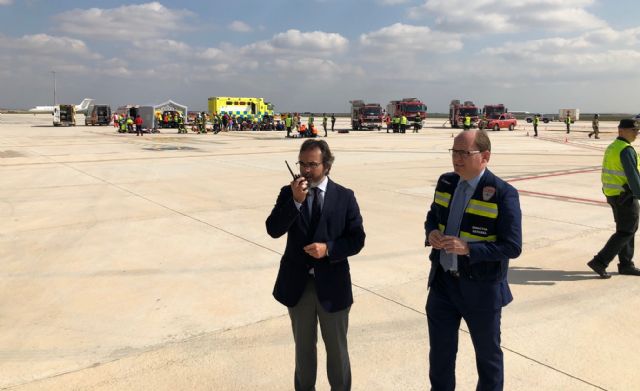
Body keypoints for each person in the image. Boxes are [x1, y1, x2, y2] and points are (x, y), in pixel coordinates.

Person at [424, 129, 522, 390]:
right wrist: (431, 232)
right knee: (440, 357)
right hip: (443, 285)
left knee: (488, 358)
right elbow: (432, 215)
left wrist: (468, 248)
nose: (456, 158)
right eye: (454, 152)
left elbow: (512, 246)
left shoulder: (503, 193)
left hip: (482, 289)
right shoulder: (446, 182)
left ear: (485, 156)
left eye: (464, 153)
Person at [266, 139, 365, 391]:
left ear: (327, 166)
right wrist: (296, 202)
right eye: (302, 164)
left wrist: (329, 249)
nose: (306, 170)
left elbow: (357, 239)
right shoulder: (288, 192)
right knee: (303, 352)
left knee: (337, 353)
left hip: (333, 286)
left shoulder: (345, 197)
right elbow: (273, 229)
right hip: (299, 286)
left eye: (312, 164)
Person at [587, 119, 640, 278]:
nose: (637, 133)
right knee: (627, 230)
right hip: (625, 196)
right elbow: (633, 176)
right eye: (634, 130)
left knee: (626, 229)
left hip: (613, 195)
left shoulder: (613, 147)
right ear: (622, 131)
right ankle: (600, 261)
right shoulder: (626, 150)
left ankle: (626, 264)